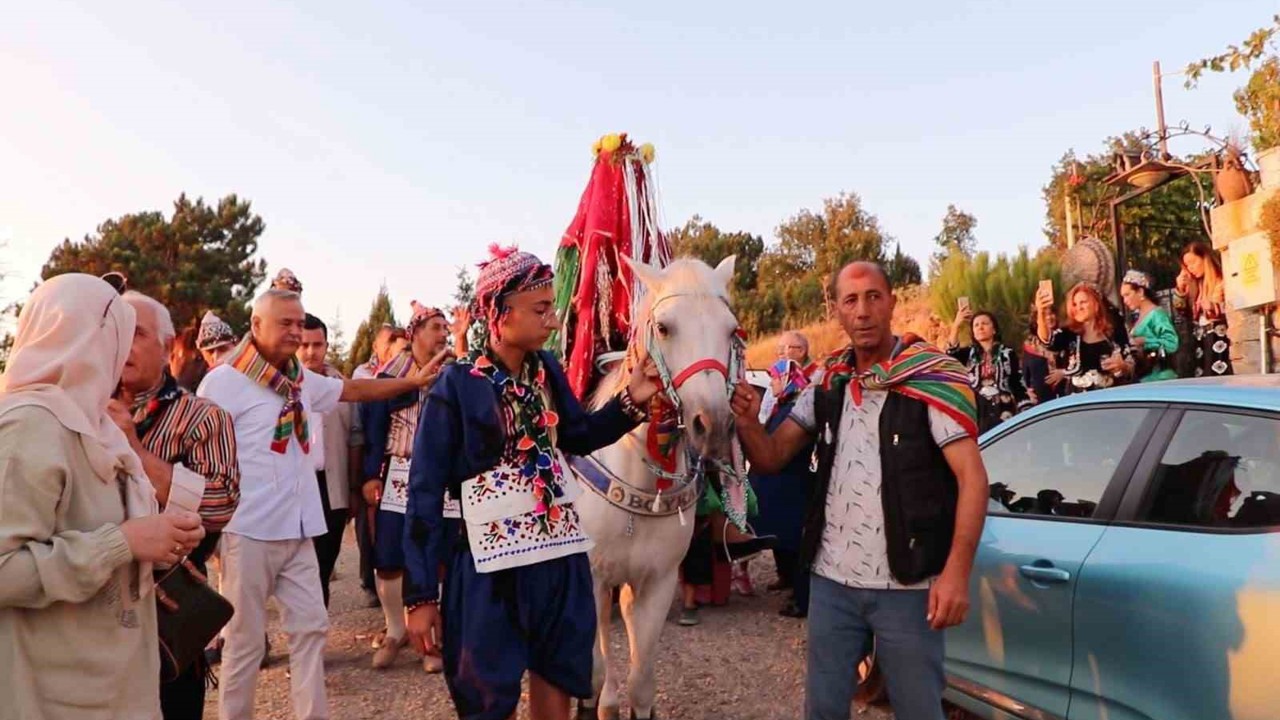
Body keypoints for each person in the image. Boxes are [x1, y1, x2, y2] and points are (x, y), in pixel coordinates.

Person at [402, 245, 661, 720]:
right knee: (485, 692)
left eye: (552, 308)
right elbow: (424, 491)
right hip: (487, 566)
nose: (552, 320)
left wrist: (630, 400)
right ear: (499, 313)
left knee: (558, 672)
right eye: (540, 309)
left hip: (556, 557)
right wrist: (420, 594)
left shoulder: (548, 372)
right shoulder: (456, 386)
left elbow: (578, 436)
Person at [729, 261, 989, 720]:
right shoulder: (828, 384)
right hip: (832, 583)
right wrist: (749, 422)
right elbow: (770, 457)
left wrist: (955, 574)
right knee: (823, 710)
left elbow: (973, 479)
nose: (863, 311)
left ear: (891, 302)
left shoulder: (927, 379)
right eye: (851, 300)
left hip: (907, 584)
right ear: (838, 312)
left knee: (918, 710)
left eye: (873, 297)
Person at [199, 288, 447, 720]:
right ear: (256, 327)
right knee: (244, 642)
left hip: (299, 528)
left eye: (300, 323)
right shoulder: (223, 382)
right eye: (286, 324)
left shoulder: (298, 378)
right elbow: (200, 450)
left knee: (311, 632)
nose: (296, 332)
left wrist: (412, 381)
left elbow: (350, 389)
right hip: (249, 531)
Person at [0, 274, 205, 720]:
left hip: (114, 686)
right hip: (54, 696)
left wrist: (165, 536)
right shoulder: (28, 426)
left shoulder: (98, 424)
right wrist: (123, 543)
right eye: (120, 333)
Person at [115, 291, 242, 717]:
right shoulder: (73, 409)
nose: (120, 343)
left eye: (134, 333)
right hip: (80, 608)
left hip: (166, 615)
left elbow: (221, 504)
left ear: (167, 347)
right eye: (112, 331)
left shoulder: (204, 417)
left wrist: (134, 450)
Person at [360, 302, 454, 673]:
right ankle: (396, 630)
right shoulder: (389, 376)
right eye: (435, 327)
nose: (443, 334)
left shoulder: (453, 375)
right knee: (388, 558)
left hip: (441, 478)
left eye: (445, 328)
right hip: (398, 473)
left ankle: (432, 641)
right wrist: (370, 477)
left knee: (440, 556)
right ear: (414, 333)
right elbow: (372, 431)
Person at [296, 313, 364, 608]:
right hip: (293, 487)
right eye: (305, 344)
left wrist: (352, 490)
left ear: (326, 345)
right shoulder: (279, 385)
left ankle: (315, 640)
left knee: (322, 565)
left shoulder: (341, 387)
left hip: (329, 488)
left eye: (317, 344)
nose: (311, 352)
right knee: (294, 569)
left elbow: (355, 439)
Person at [749, 350, 818, 619]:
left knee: (797, 544)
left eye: (776, 379)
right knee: (784, 540)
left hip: (792, 486)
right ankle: (788, 581)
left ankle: (801, 600)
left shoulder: (795, 410)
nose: (773, 385)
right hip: (782, 485)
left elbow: (781, 443)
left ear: (788, 379)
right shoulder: (783, 406)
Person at [1035, 282, 1134, 394]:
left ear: (1096, 305)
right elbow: (1048, 341)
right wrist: (1041, 312)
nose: (1078, 308)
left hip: (1111, 397)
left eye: (1083, 302)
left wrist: (1122, 366)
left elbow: (1131, 361)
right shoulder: (1069, 333)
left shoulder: (1114, 331)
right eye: (1074, 304)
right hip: (1080, 401)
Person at [946, 309, 1030, 433]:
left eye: (984, 323)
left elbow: (1016, 382)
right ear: (973, 332)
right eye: (976, 325)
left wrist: (1026, 410)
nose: (980, 327)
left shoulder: (1007, 353)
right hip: (978, 412)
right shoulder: (968, 354)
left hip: (1004, 409)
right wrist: (956, 325)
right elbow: (950, 355)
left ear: (994, 329)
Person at [1176, 242, 1233, 377]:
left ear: (1204, 259)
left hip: (1218, 339)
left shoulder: (1220, 282)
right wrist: (1180, 289)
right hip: (1201, 343)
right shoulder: (1196, 287)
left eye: (1193, 262)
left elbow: (1231, 309)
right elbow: (1181, 313)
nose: (1190, 268)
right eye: (1187, 265)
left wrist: (1213, 307)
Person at [1120, 270, 1180, 383]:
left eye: (1127, 295)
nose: (1125, 301)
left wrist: (1145, 341)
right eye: (1123, 297)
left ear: (1140, 292)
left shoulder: (1157, 314)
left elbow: (1172, 343)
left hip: (1161, 378)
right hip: (1146, 378)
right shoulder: (1140, 316)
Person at [1021, 301, 1062, 405]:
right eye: (1044, 314)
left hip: (1065, 396)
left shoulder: (1066, 338)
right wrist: (1027, 392)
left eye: (1051, 313)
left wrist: (1064, 373)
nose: (1048, 318)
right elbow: (1025, 376)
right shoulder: (1029, 345)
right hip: (1041, 402)